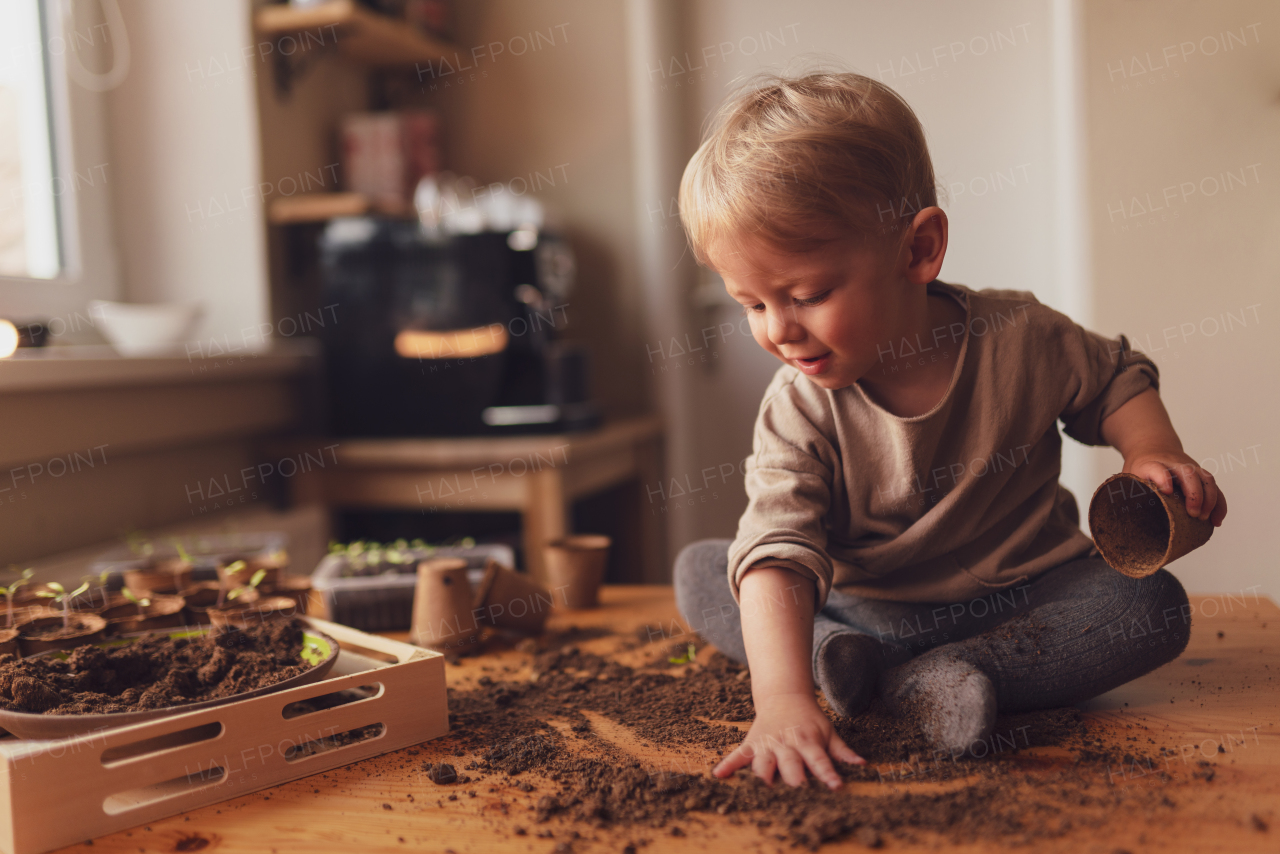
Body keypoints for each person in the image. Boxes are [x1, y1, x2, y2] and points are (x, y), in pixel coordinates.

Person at [672, 71, 1227, 790]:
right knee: (709, 573)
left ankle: (942, 677)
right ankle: (843, 659)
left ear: (918, 249)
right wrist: (781, 703)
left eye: (807, 295)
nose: (778, 330)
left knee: (1152, 608)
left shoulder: (1020, 335)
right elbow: (780, 549)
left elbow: (1115, 377)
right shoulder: (799, 407)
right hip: (867, 607)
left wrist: (1152, 450)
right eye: (750, 303)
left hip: (1026, 598)